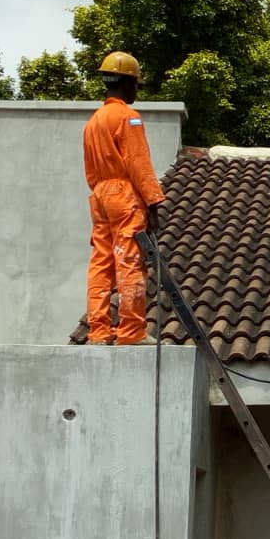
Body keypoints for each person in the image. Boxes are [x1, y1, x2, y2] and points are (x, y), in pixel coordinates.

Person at [82, 51, 165, 345]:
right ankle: (131, 331)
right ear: (127, 83)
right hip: (123, 193)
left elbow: (91, 170)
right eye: (136, 85)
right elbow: (138, 162)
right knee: (130, 259)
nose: (136, 91)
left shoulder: (93, 122)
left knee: (101, 262)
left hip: (100, 196)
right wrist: (154, 201)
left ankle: (99, 331)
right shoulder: (128, 117)